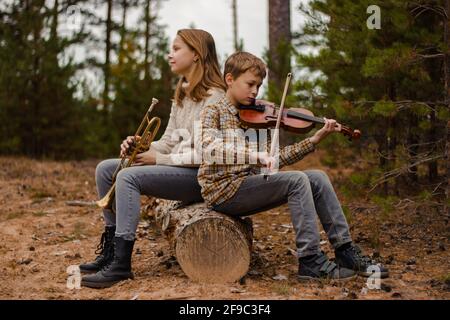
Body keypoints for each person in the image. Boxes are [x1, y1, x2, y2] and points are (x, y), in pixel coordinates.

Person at [197, 51, 389, 281]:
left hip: (248, 185)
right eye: (250, 84)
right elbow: (207, 146)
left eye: (258, 86)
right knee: (297, 180)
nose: (255, 91)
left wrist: (314, 140)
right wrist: (253, 156)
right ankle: (310, 261)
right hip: (223, 191)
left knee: (317, 176)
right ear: (230, 79)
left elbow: (275, 157)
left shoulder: (259, 116)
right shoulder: (213, 111)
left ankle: (345, 250)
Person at [79, 29, 226, 288]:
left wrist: (157, 160)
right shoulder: (183, 91)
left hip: (202, 178)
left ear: (196, 54)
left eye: (177, 48)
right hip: (179, 169)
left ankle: (122, 265)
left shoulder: (215, 97)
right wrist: (140, 146)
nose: (170, 55)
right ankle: (111, 252)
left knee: (129, 176)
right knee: (105, 169)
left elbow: (206, 154)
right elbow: (170, 140)